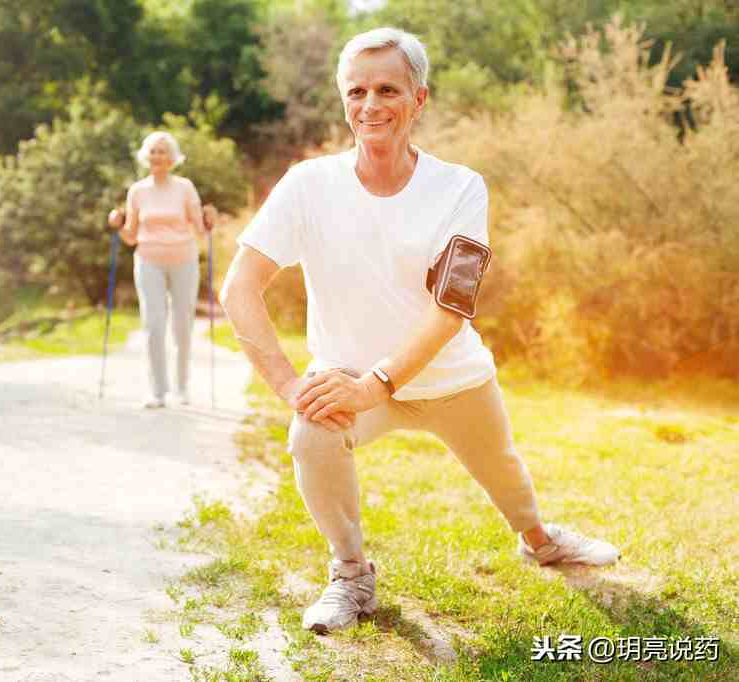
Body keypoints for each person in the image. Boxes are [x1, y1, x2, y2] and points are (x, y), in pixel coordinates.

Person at [219, 27, 620, 635]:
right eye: (357, 91)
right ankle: (351, 575)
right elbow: (240, 286)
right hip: (347, 377)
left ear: (419, 98)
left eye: (388, 89)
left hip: (450, 376)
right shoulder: (308, 184)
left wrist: (378, 384)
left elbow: (452, 305)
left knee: (504, 471)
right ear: (343, 100)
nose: (371, 104)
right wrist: (288, 384)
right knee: (311, 434)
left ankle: (539, 541)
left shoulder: (459, 187)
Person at [107, 131, 218, 408]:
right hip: (148, 260)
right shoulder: (137, 191)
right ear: (147, 156)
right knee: (154, 325)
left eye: (163, 151)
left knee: (182, 326)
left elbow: (200, 230)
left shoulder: (185, 187)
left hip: (184, 260)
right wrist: (117, 225)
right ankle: (158, 391)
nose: (157, 156)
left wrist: (209, 220)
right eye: (153, 151)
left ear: (172, 158)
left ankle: (181, 388)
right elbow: (131, 237)